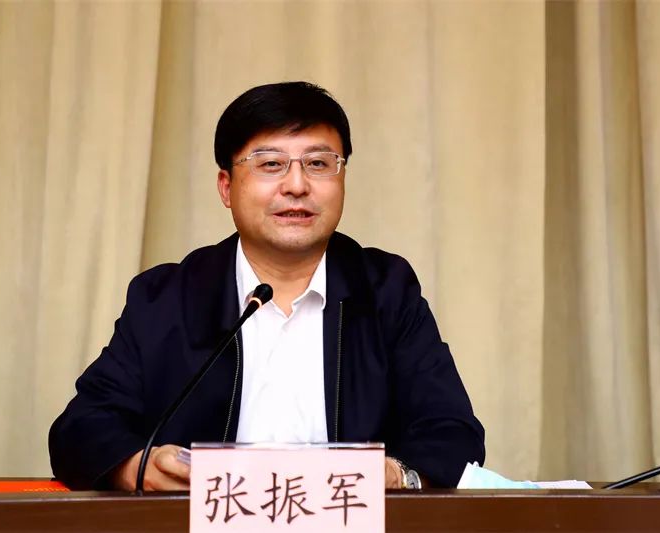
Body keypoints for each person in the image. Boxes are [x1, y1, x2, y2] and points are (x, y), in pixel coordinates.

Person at [49, 81, 485, 491]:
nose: (296, 186)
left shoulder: (386, 290)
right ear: (226, 187)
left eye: (318, 164)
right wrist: (139, 469)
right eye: (271, 164)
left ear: (342, 179)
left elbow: (455, 435)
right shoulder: (167, 296)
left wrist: (394, 474)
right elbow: (80, 430)